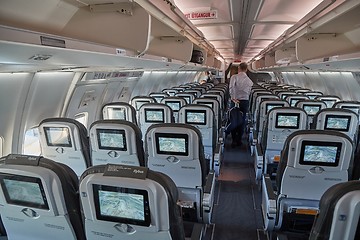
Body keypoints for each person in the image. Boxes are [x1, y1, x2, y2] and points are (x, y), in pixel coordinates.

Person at [229, 62, 253, 147]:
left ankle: (233, 140)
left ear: (238, 69)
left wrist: (233, 97)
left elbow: (231, 88)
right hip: (244, 101)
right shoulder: (249, 81)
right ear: (246, 69)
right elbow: (249, 92)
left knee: (233, 119)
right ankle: (239, 140)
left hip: (235, 100)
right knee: (242, 120)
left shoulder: (234, 77)